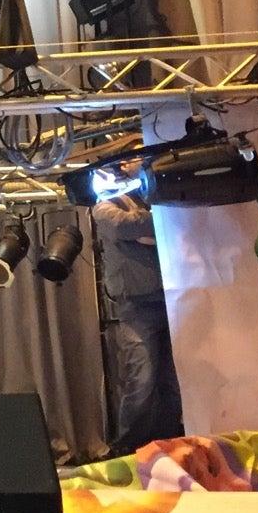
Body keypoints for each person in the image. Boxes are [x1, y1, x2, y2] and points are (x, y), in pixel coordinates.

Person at [93, 192, 183, 454]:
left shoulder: (154, 197)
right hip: (136, 306)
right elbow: (123, 227)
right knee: (142, 378)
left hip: (170, 299)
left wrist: (145, 228)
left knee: (173, 381)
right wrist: (155, 222)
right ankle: (127, 448)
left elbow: (172, 225)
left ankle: (166, 444)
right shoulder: (104, 205)